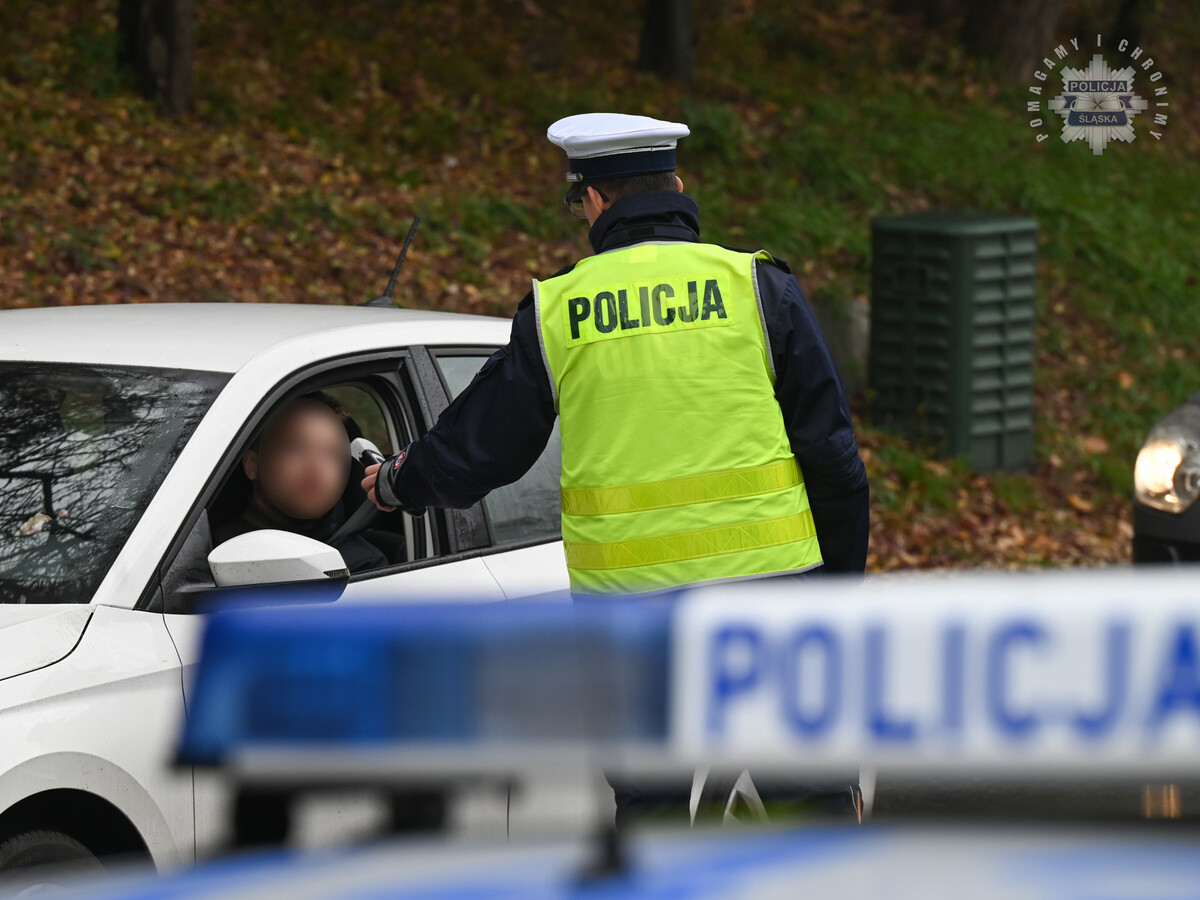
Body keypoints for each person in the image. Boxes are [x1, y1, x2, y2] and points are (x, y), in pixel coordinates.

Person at [361, 112, 869, 825]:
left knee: (651, 822)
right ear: (678, 187)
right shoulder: (758, 287)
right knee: (808, 816)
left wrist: (393, 484)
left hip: (632, 617)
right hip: (774, 604)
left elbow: (482, 450)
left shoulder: (559, 309)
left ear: (595, 201)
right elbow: (835, 461)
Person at [214, 392, 387, 573]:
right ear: (252, 465)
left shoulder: (364, 566)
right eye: (296, 448)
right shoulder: (203, 549)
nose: (315, 469)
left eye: (331, 455)